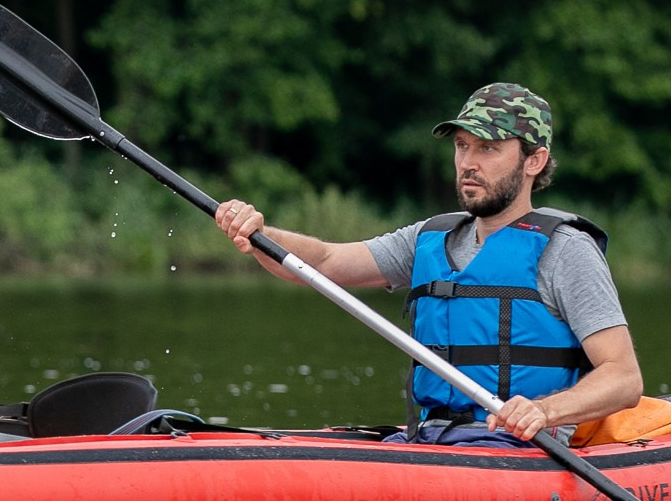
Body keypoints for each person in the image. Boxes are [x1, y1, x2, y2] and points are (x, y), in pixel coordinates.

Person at [210, 82, 642, 446]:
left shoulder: (565, 250)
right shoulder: (429, 239)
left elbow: (623, 378)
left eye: (488, 149)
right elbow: (321, 263)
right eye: (461, 146)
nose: (468, 163)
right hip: (431, 439)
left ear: (534, 160)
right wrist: (259, 234)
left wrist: (545, 411)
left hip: (519, 449)